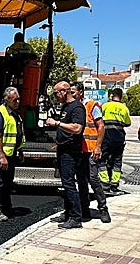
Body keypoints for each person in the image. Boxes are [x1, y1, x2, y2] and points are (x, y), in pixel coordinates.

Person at [45, 80, 86, 229]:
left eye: (56, 93)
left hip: (71, 152)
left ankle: (76, 217)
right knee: (65, 183)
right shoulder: (66, 107)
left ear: (64, 91)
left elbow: (77, 128)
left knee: (69, 184)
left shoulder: (77, 108)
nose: (55, 96)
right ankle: (68, 213)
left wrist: (56, 123)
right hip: (64, 149)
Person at [72, 82, 110, 223]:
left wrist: (98, 146)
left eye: (73, 92)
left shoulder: (92, 106)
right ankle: (84, 208)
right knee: (81, 180)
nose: (72, 95)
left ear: (81, 92)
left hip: (91, 149)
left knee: (93, 179)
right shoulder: (74, 107)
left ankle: (103, 207)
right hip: (79, 150)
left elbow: (101, 126)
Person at [0, 87, 25, 221]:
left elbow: (17, 135)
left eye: (18, 99)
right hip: (1, 155)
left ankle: (6, 207)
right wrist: (2, 156)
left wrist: (20, 150)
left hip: (11, 154)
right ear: (6, 99)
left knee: (8, 183)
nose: (17, 102)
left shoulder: (14, 114)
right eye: (14, 100)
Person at [99, 87, 131, 194]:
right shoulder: (124, 108)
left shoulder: (105, 106)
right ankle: (115, 184)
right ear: (121, 97)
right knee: (117, 161)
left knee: (102, 159)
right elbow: (128, 123)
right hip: (119, 138)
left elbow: (98, 118)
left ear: (112, 96)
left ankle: (104, 183)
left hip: (106, 137)